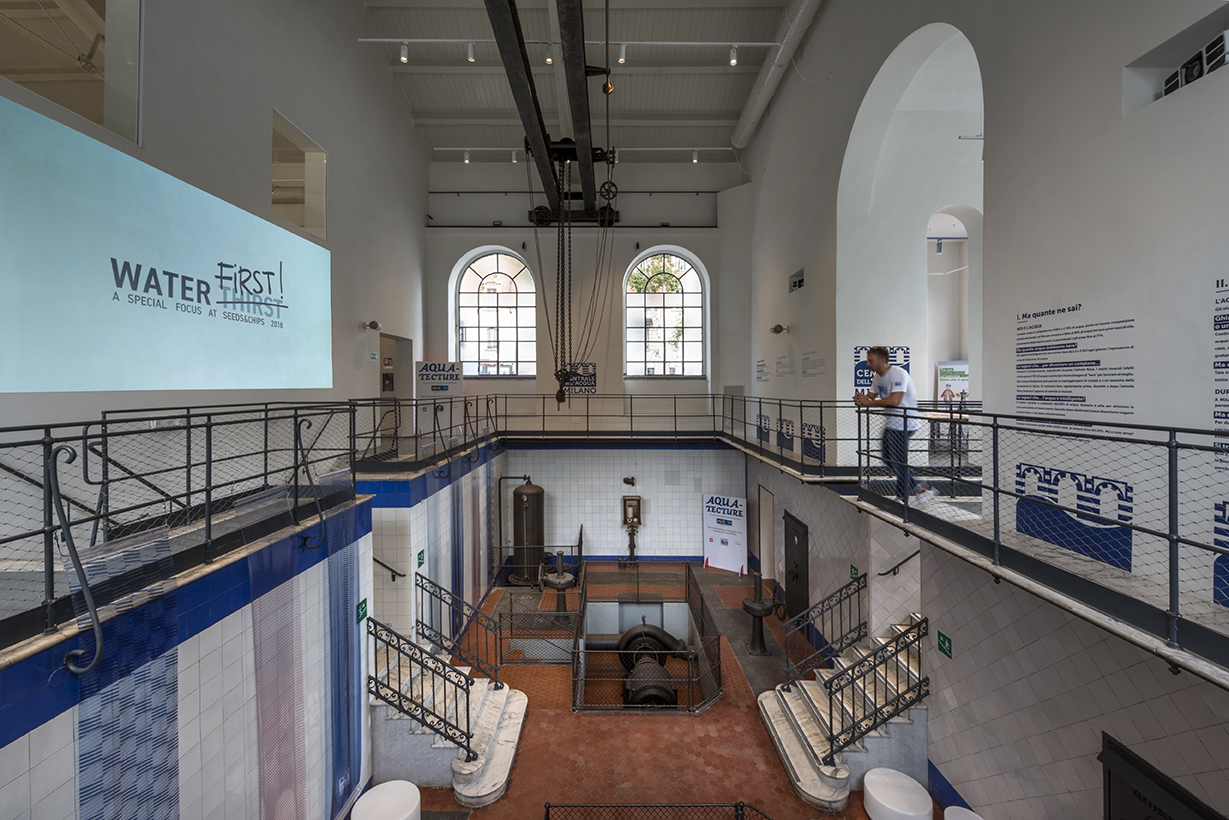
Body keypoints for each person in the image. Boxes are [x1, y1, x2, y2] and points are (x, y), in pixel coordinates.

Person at [853, 347, 936, 506]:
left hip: (904, 424)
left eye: (871, 360)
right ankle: (920, 487)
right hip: (892, 424)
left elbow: (895, 400)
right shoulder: (878, 377)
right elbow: (871, 396)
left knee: (899, 462)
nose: (868, 364)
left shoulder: (898, 374)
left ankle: (902, 498)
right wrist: (860, 398)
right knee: (888, 458)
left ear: (882, 360)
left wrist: (869, 403)